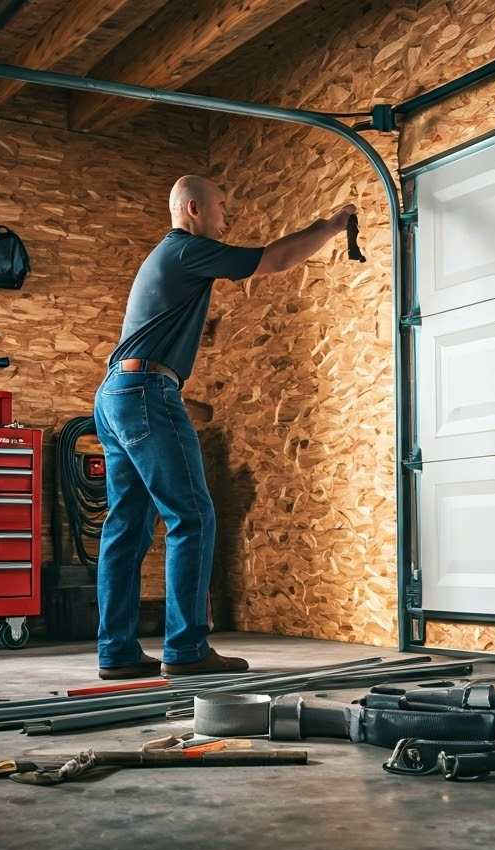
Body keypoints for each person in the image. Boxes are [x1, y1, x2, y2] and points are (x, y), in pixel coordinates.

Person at [94, 175, 356, 679]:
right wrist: (331, 225)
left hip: (115, 394)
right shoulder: (186, 250)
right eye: (221, 206)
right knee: (190, 516)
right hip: (146, 390)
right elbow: (274, 259)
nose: (226, 216)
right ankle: (187, 650)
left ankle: (118, 653)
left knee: (126, 527)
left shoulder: (170, 259)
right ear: (193, 208)